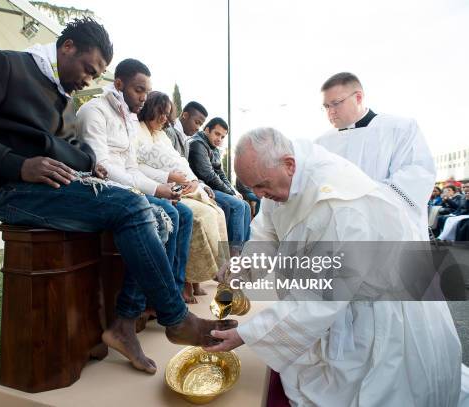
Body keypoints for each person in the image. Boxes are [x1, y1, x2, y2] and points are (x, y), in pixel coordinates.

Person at [0, 17, 236, 375]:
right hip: (15, 191)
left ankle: (123, 323)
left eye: (95, 74)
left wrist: (92, 165)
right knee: (135, 207)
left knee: (162, 216)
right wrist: (18, 165)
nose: (88, 80)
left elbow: (79, 152)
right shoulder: (3, 65)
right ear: (67, 47)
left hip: (63, 187)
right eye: (88, 69)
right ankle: (176, 319)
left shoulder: (65, 98)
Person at [206, 127, 462, 407]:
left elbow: (318, 297)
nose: (259, 195)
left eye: (262, 186)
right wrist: (241, 268)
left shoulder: (341, 207)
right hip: (331, 294)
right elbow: (268, 235)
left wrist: (247, 334)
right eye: (252, 187)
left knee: (370, 387)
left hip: (375, 307)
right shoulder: (282, 176)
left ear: (289, 164)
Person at [77, 59, 195, 301]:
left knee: (183, 212)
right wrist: (155, 188)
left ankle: (169, 288)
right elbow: (102, 167)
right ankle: (158, 299)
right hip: (104, 190)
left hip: (128, 187)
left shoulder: (127, 119)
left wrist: (161, 187)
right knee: (169, 214)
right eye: (138, 90)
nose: (144, 97)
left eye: (147, 92)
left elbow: (131, 167)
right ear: (119, 84)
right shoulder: (93, 111)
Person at [315, 72, 436, 239]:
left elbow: (416, 176)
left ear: (358, 97)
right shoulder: (321, 144)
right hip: (340, 235)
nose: (331, 112)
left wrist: (357, 201)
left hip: (391, 233)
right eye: (326, 106)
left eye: (336, 103)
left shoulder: (400, 128)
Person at [134, 91, 228, 303]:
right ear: (149, 108)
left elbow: (181, 163)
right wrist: (169, 177)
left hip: (180, 186)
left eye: (167, 114)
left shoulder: (161, 135)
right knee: (198, 216)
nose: (164, 118)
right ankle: (186, 280)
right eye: (160, 112)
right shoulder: (136, 131)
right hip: (157, 187)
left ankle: (214, 269)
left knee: (218, 211)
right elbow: (135, 167)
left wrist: (195, 182)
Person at [188, 117, 251, 247]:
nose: (219, 139)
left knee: (245, 205)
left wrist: (233, 191)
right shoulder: (198, 144)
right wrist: (230, 192)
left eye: (223, 137)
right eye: (217, 134)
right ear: (207, 130)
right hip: (204, 187)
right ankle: (234, 253)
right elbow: (208, 175)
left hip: (214, 187)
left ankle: (243, 249)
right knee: (238, 205)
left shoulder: (213, 147)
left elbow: (221, 173)